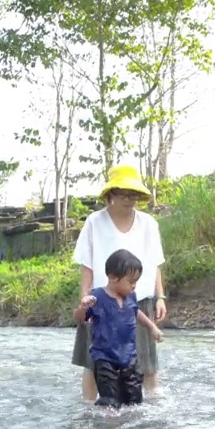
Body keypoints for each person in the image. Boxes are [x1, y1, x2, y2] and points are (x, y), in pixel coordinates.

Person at [71, 165, 167, 400]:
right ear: (110, 195)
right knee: (95, 365)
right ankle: (89, 409)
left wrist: (160, 297)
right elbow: (87, 266)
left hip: (138, 301)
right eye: (123, 193)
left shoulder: (148, 224)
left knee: (146, 364)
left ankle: (150, 409)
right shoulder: (95, 222)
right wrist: (85, 302)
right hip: (101, 302)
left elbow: (154, 263)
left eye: (133, 194)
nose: (129, 199)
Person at [74, 248, 164, 408]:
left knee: (134, 401)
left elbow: (136, 312)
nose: (134, 286)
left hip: (129, 357)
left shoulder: (131, 297)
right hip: (105, 358)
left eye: (136, 281)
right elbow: (81, 318)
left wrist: (152, 327)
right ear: (113, 277)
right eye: (131, 282)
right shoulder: (97, 297)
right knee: (109, 402)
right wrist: (82, 308)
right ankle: (109, 425)